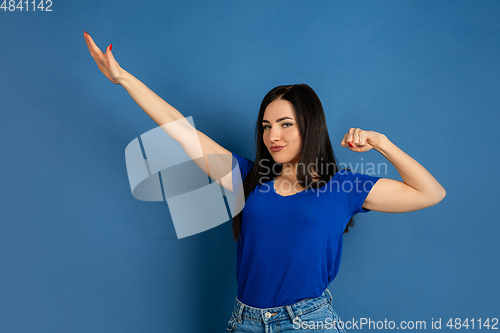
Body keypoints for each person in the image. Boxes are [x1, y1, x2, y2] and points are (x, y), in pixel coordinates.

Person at [83, 31, 446, 333]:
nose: (274, 135)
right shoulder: (248, 178)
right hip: (245, 322)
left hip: (307, 324)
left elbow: (430, 192)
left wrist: (381, 143)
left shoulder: (342, 187)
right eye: (267, 125)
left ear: (309, 126)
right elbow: (179, 129)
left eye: (286, 124)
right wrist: (124, 79)